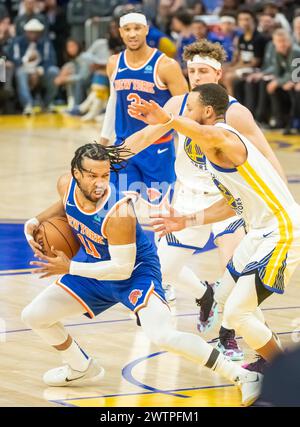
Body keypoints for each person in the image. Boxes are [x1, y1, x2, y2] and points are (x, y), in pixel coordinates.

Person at [22, 143, 261, 406]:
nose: (100, 183)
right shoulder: (66, 184)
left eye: (105, 175)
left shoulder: (118, 211)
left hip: (135, 273)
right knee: (34, 315)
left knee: (161, 335)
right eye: (92, 176)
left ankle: (242, 377)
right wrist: (34, 221)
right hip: (94, 269)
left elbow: (121, 268)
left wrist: (69, 267)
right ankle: (80, 367)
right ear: (76, 174)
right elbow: (64, 204)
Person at [124, 39, 286, 363]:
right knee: (158, 273)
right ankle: (204, 294)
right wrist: (109, 157)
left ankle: (237, 339)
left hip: (225, 203)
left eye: (204, 70)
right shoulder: (174, 105)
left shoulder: (235, 112)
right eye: (192, 70)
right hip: (185, 201)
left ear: (219, 73)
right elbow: (144, 137)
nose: (196, 76)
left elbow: (267, 155)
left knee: (236, 277)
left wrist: (285, 201)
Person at [99, 12, 188, 204]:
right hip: (123, 148)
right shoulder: (114, 63)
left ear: (146, 30)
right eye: (128, 29)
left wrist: (187, 152)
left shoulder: (166, 65)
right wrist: (103, 142)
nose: (133, 34)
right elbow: (113, 102)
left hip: (157, 149)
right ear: (120, 33)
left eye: (137, 28)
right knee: (119, 210)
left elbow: (186, 110)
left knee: (161, 214)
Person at [8, 18, 58, 115]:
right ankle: (28, 105)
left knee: (54, 71)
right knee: (20, 73)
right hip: (24, 69)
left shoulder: (46, 42)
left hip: (41, 70)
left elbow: (51, 60)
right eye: (31, 32)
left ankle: (47, 103)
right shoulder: (17, 42)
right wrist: (26, 60)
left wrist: (39, 70)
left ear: (40, 32)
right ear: (26, 32)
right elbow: (12, 58)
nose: (33, 35)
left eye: (36, 32)